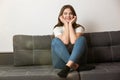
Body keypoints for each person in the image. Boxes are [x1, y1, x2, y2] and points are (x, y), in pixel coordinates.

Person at [51, 4, 94, 78]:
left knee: (81, 39)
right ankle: (76, 67)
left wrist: (70, 24)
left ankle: (68, 67)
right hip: (61, 63)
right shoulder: (57, 28)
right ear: (61, 16)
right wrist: (65, 24)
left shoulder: (79, 28)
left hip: (78, 60)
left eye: (70, 13)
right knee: (55, 41)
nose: (68, 15)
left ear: (74, 16)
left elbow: (74, 41)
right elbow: (65, 41)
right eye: (65, 13)